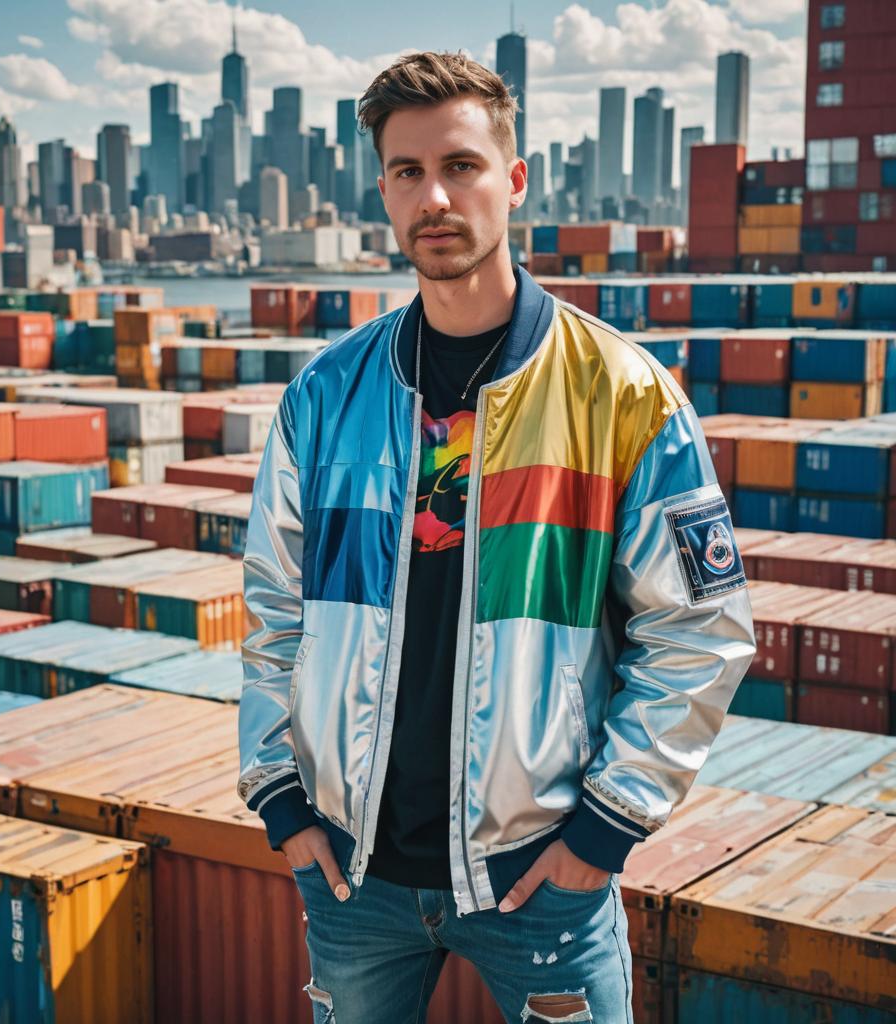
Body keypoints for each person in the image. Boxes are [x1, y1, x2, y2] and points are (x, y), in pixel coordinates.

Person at [236, 50, 755, 1024]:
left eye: (461, 165)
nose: (434, 196)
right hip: (353, 885)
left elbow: (701, 629)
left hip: (542, 888)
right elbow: (273, 609)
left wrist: (602, 834)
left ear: (513, 181)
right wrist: (281, 798)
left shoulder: (623, 393)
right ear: (383, 191)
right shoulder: (324, 396)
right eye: (405, 171)